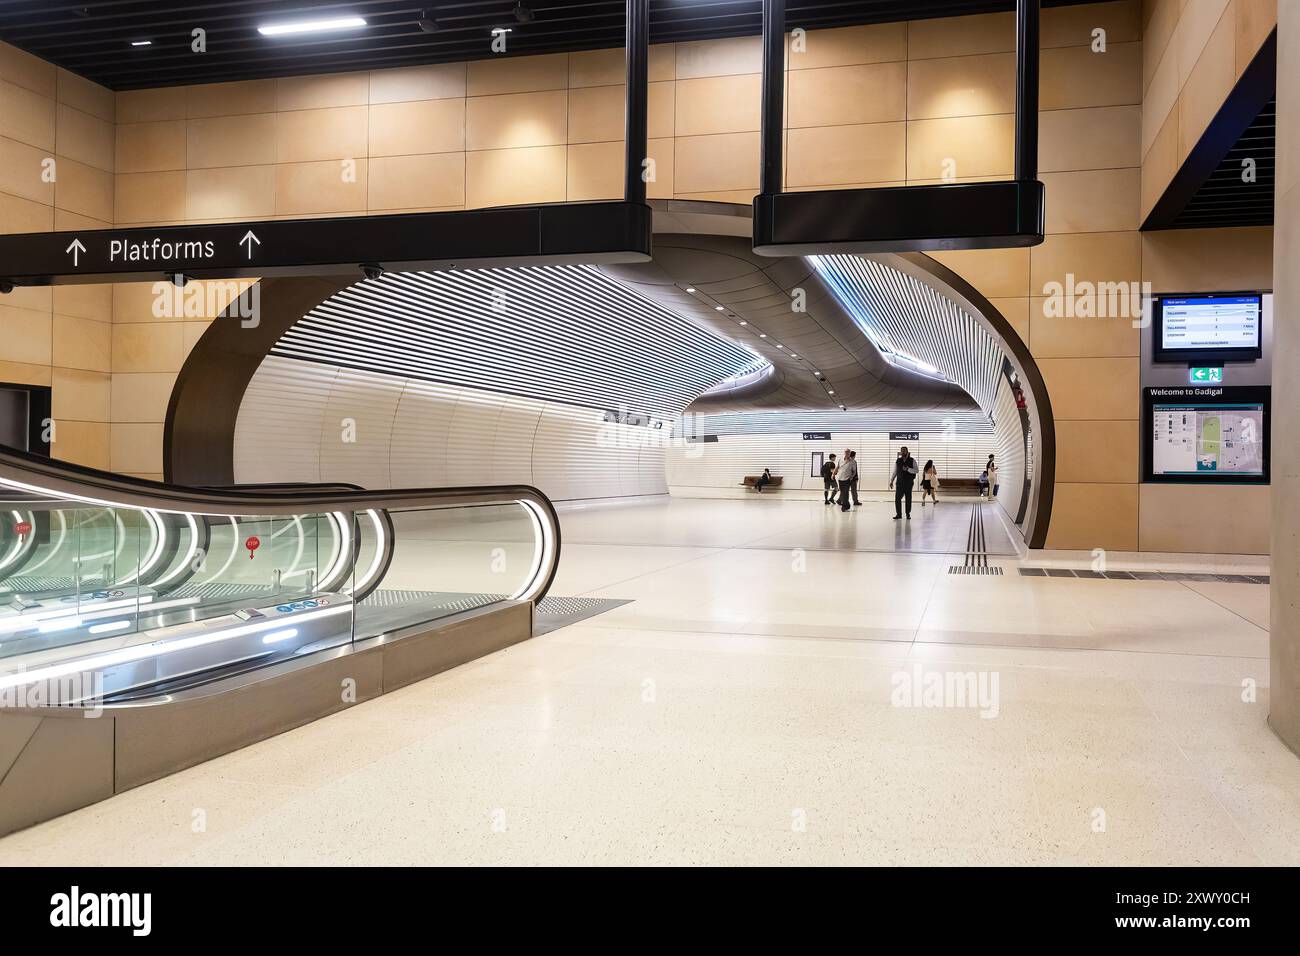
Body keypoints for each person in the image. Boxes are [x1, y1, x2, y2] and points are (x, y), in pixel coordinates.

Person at [889, 446, 918, 519]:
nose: (903, 452)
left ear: (907, 452)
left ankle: (908, 514)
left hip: (909, 482)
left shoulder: (912, 460)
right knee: (897, 498)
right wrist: (891, 481)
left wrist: (908, 469)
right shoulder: (898, 460)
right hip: (899, 483)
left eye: (904, 451)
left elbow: (916, 470)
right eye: (902, 451)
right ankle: (899, 514)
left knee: (908, 498)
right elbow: (895, 472)